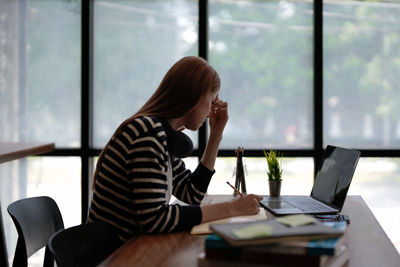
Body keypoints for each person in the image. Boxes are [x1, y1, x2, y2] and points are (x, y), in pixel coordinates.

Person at [88, 56, 263, 242]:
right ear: (195, 96)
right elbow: (154, 220)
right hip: (115, 255)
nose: (212, 110)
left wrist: (216, 134)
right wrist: (232, 208)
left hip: (131, 247)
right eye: (212, 101)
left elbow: (192, 193)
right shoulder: (147, 132)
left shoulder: (161, 134)